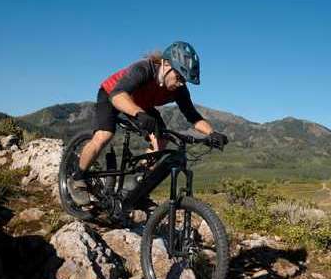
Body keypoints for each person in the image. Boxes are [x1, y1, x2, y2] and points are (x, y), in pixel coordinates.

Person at [68, 41, 228, 205]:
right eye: (179, 77)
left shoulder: (179, 89)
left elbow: (193, 116)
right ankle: (77, 178)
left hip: (141, 104)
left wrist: (212, 133)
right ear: (166, 64)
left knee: (161, 139)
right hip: (113, 94)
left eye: (184, 81)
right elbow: (118, 96)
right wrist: (139, 114)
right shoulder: (144, 69)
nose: (180, 83)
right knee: (104, 135)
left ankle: (135, 188)